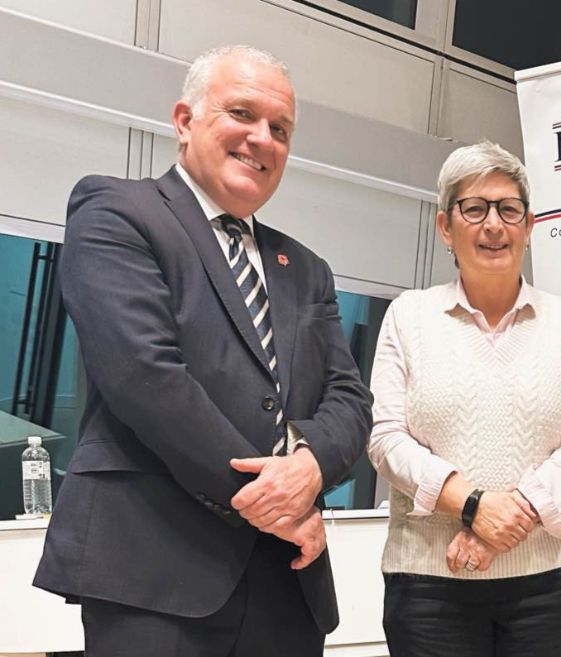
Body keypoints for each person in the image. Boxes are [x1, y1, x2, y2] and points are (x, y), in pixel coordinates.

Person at [33, 45, 372, 656]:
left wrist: (311, 467)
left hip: (285, 586)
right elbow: (146, 377)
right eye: (241, 113)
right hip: (153, 570)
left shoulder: (309, 269)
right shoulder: (117, 211)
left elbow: (348, 398)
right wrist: (276, 505)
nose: (261, 139)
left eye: (281, 129)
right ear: (185, 121)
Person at [368, 141, 561, 657]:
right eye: (474, 209)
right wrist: (473, 505)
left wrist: (510, 516)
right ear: (445, 227)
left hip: (557, 580)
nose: (493, 225)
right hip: (431, 582)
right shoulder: (408, 317)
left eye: (508, 209)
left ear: (529, 225)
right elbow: (385, 438)